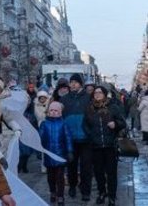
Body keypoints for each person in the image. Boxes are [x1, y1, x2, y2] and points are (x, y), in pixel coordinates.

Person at [83, 85, 126, 206]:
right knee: (99, 173)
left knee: (111, 173)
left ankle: (112, 196)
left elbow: (123, 123)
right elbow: (85, 125)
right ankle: (102, 193)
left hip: (110, 146)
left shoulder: (113, 107)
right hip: (96, 146)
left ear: (105, 94)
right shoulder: (89, 108)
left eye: (100, 92)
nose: (97, 94)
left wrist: (115, 124)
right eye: (95, 93)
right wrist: (91, 135)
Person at [62, 72, 93, 200]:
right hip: (71, 139)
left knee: (86, 167)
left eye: (75, 82)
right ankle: (73, 186)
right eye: (71, 82)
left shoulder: (88, 98)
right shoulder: (64, 99)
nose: (73, 84)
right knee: (71, 166)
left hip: (86, 138)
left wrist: (90, 131)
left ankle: (86, 191)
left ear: (81, 84)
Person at [39, 101, 73, 206]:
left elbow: (68, 138)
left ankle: (60, 195)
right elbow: (40, 138)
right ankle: (53, 191)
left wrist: (70, 151)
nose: (53, 112)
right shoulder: (44, 124)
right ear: (48, 112)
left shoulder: (63, 124)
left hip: (60, 155)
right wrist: (38, 148)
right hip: (49, 154)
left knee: (60, 177)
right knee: (50, 177)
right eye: (51, 110)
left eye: (56, 110)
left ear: (60, 112)